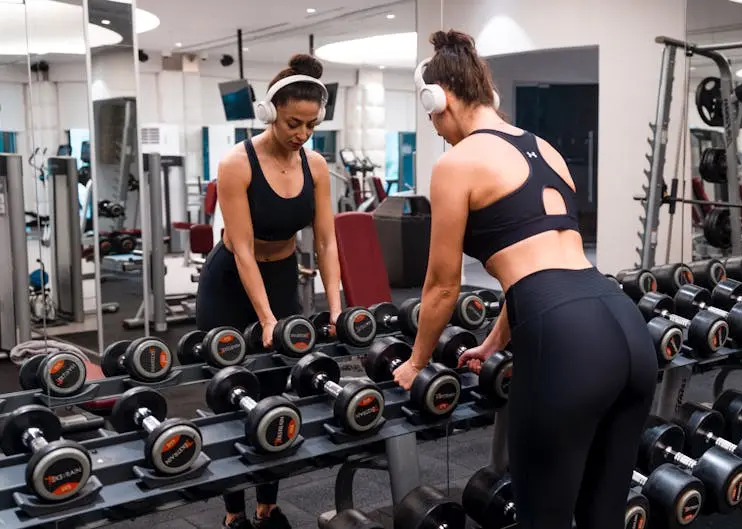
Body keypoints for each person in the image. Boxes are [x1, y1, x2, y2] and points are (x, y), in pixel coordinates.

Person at [392, 30, 659, 529]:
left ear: (440, 99)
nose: (434, 128)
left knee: (544, 519)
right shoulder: (545, 148)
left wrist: (416, 362)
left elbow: (442, 285)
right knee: (604, 519)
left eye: (431, 116)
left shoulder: (456, 164)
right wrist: (494, 342)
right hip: (624, 328)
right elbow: (543, 263)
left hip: (566, 344)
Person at [195, 53, 344, 529]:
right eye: (292, 123)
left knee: (277, 394)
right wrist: (265, 320)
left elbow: (325, 241)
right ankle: (233, 511)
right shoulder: (236, 163)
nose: (301, 134)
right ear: (269, 113)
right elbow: (240, 248)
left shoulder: (316, 165)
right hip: (229, 286)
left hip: (281, 280)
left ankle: (268, 505)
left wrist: (337, 309)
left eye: (310, 125)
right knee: (232, 392)